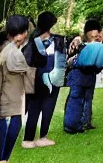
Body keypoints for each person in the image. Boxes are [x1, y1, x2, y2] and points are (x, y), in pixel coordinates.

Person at [22, 11, 66, 149]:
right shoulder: (37, 41)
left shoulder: (53, 40)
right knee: (39, 107)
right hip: (41, 79)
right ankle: (33, 138)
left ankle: (37, 138)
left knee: (44, 107)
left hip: (48, 78)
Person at [0, 15, 34, 163]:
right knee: (15, 119)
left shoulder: (5, 48)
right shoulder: (14, 52)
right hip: (12, 92)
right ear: (24, 32)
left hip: (4, 92)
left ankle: (2, 158)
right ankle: (3, 158)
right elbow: (25, 70)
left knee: (3, 119)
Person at [63, 19, 103, 134]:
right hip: (80, 75)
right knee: (76, 99)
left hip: (87, 75)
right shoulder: (79, 43)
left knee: (83, 99)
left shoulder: (89, 44)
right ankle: (71, 125)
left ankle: (81, 123)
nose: (96, 37)